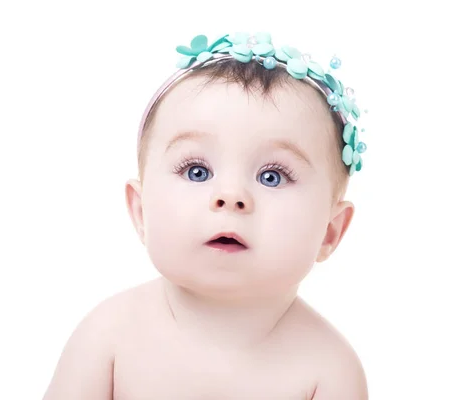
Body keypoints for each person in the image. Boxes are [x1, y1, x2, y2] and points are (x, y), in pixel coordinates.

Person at [43, 31, 369, 399]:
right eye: (197, 171)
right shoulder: (107, 337)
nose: (230, 197)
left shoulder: (329, 371)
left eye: (272, 176)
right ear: (141, 211)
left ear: (329, 232)